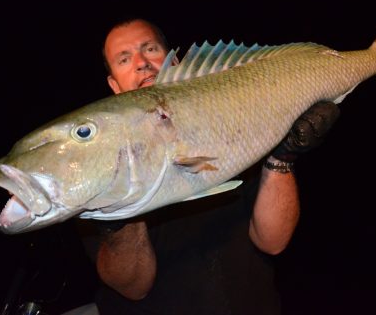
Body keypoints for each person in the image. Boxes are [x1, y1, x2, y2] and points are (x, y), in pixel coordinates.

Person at [78, 18, 339, 315]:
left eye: (150, 49)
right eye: (124, 59)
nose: (141, 63)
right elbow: (134, 287)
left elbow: (273, 242)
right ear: (114, 84)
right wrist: (118, 212)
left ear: (174, 60)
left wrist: (283, 156)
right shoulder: (96, 159)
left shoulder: (233, 119)